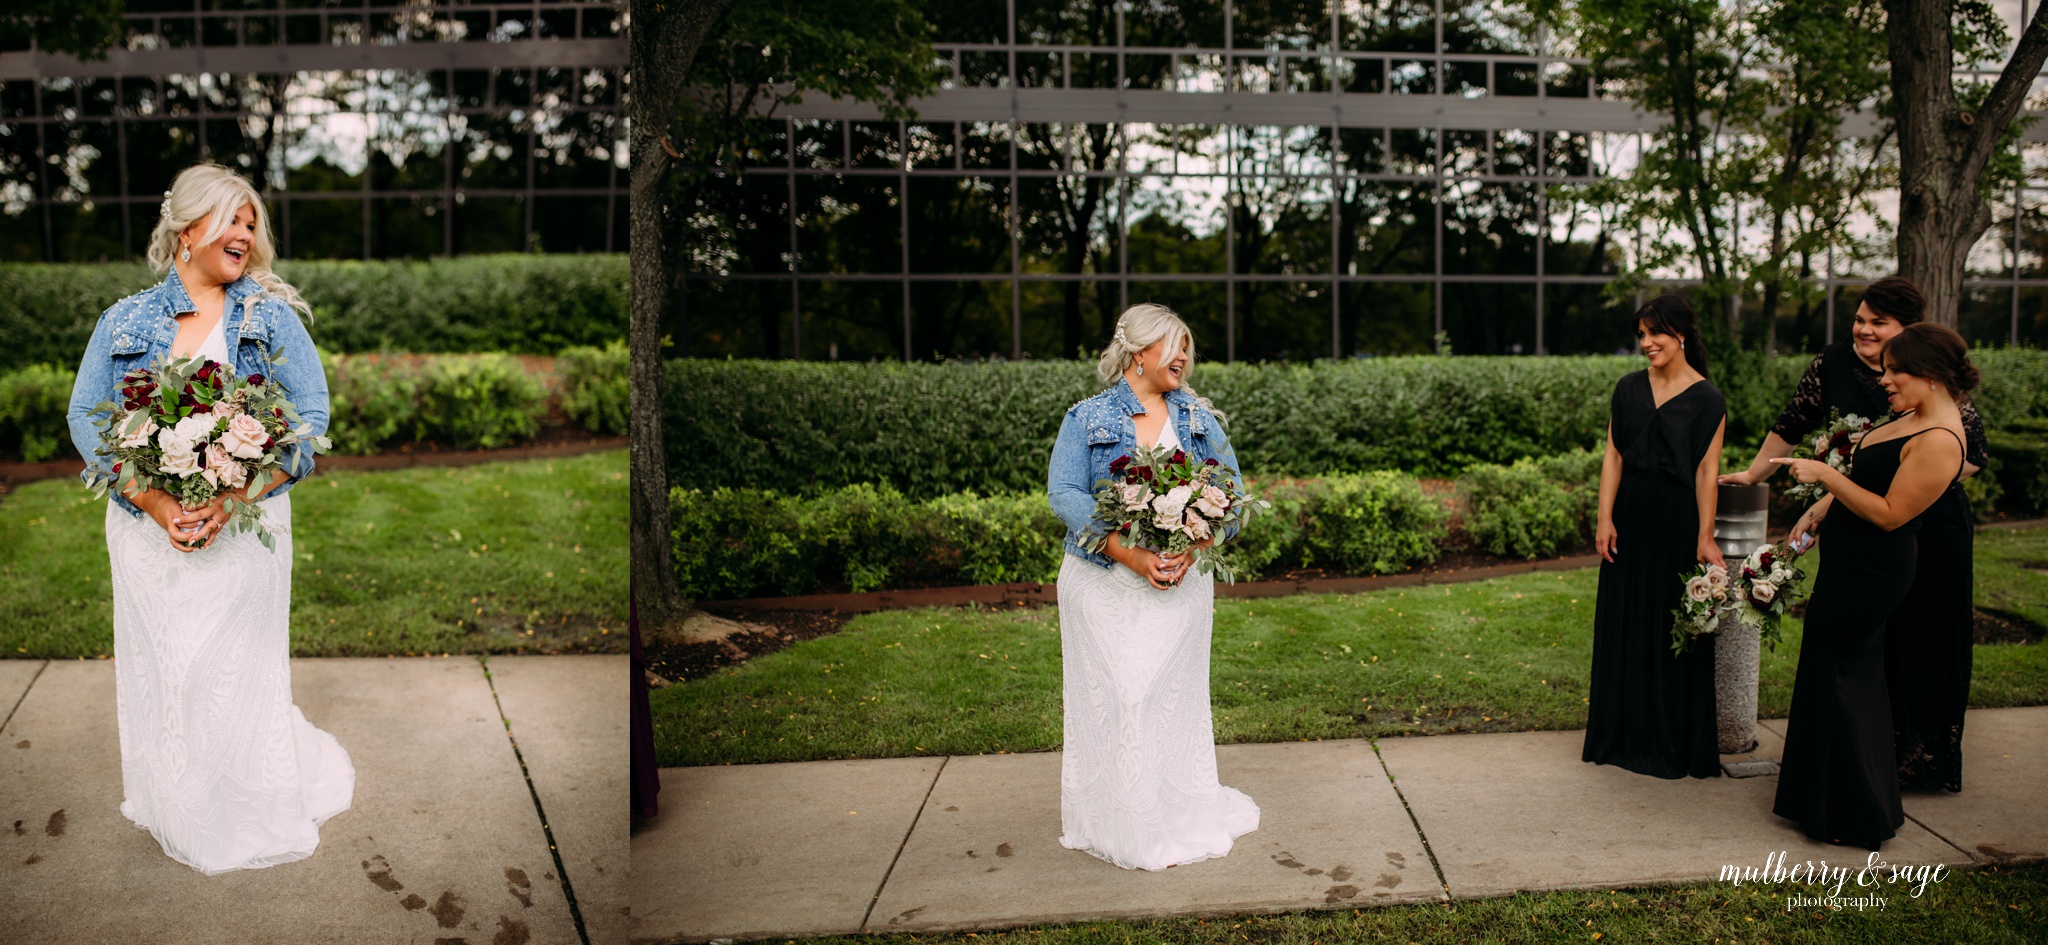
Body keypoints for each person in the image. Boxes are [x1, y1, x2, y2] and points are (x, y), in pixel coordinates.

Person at [64, 163, 352, 875]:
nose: (247, 235)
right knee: (168, 668)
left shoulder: (270, 318)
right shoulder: (125, 320)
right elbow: (86, 415)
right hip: (146, 530)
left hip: (244, 526)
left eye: (253, 224)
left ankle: (246, 801)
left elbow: (309, 418)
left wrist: (235, 497)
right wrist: (155, 500)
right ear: (187, 230)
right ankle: (180, 800)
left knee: (232, 668)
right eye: (233, 219)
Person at [1720, 277, 1985, 793]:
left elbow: (1967, 457)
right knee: (1861, 655)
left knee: (1919, 640)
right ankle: (1857, 763)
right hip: (1860, 526)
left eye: (1877, 323)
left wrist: (1860, 479)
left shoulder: (1934, 399)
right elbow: (1793, 420)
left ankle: (1912, 761)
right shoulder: (1837, 364)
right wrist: (1762, 475)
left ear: (1911, 338)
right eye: (1860, 318)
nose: (1863, 329)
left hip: (1925, 523)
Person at [1044, 302, 1259, 870]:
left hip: (1180, 588)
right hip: (1102, 584)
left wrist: (1195, 546)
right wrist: (1126, 552)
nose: (1184, 356)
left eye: (1187, 346)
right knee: (1118, 698)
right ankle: (1115, 820)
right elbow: (1064, 493)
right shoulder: (1085, 418)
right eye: (1173, 345)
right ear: (1139, 352)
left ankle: (1167, 815)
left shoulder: (1200, 420)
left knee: (1166, 700)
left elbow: (1232, 495)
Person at [1770, 322, 1974, 850]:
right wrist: (1823, 506)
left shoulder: (1941, 439)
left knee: (1845, 677)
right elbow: (1870, 480)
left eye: (1895, 371)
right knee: (1827, 669)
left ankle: (1855, 812)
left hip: (1875, 571)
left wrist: (1825, 476)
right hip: (1847, 561)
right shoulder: (1912, 415)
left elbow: (1889, 514)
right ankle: (1817, 797)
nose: (1884, 380)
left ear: (1930, 374)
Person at [1583, 295, 1728, 779]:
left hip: (1677, 521)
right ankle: (1621, 733)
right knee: (1626, 618)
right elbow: (1613, 457)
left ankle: (1669, 737)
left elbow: (1708, 471)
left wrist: (1705, 537)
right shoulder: (1627, 389)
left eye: (1654, 334)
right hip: (1631, 517)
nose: (1646, 343)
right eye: (1640, 335)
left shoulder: (1708, 398)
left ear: (1681, 333)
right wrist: (1605, 518)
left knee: (1671, 627)